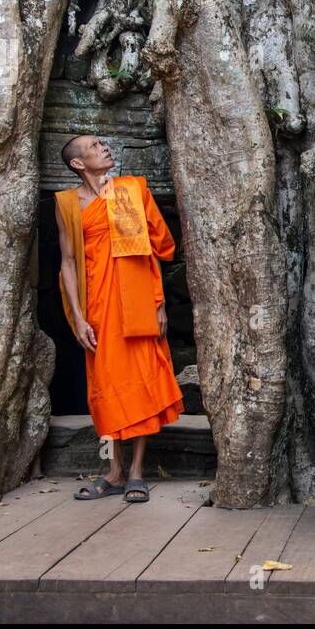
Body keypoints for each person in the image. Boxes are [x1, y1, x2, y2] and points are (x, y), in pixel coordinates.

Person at [54, 134, 182, 502]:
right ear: (78, 163)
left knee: (142, 385)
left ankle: (137, 473)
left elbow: (157, 248)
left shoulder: (129, 191)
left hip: (138, 305)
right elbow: (67, 263)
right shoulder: (67, 204)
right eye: (94, 146)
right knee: (106, 390)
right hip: (99, 309)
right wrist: (77, 317)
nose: (104, 148)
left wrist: (158, 305)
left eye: (102, 144)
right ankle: (114, 472)